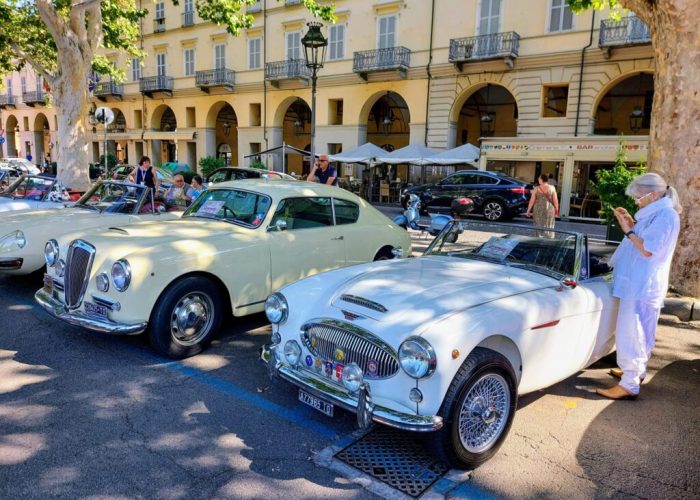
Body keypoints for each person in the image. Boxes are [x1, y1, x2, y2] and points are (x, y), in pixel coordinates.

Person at [596, 173, 682, 400]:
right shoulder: (657, 214)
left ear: (653, 194)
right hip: (639, 283)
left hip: (642, 284)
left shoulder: (665, 216)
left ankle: (629, 383)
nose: (636, 201)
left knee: (632, 331)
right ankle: (634, 373)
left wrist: (629, 231)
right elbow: (644, 240)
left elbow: (647, 249)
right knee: (640, 330)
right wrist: (631, 224)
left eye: (639, 196)